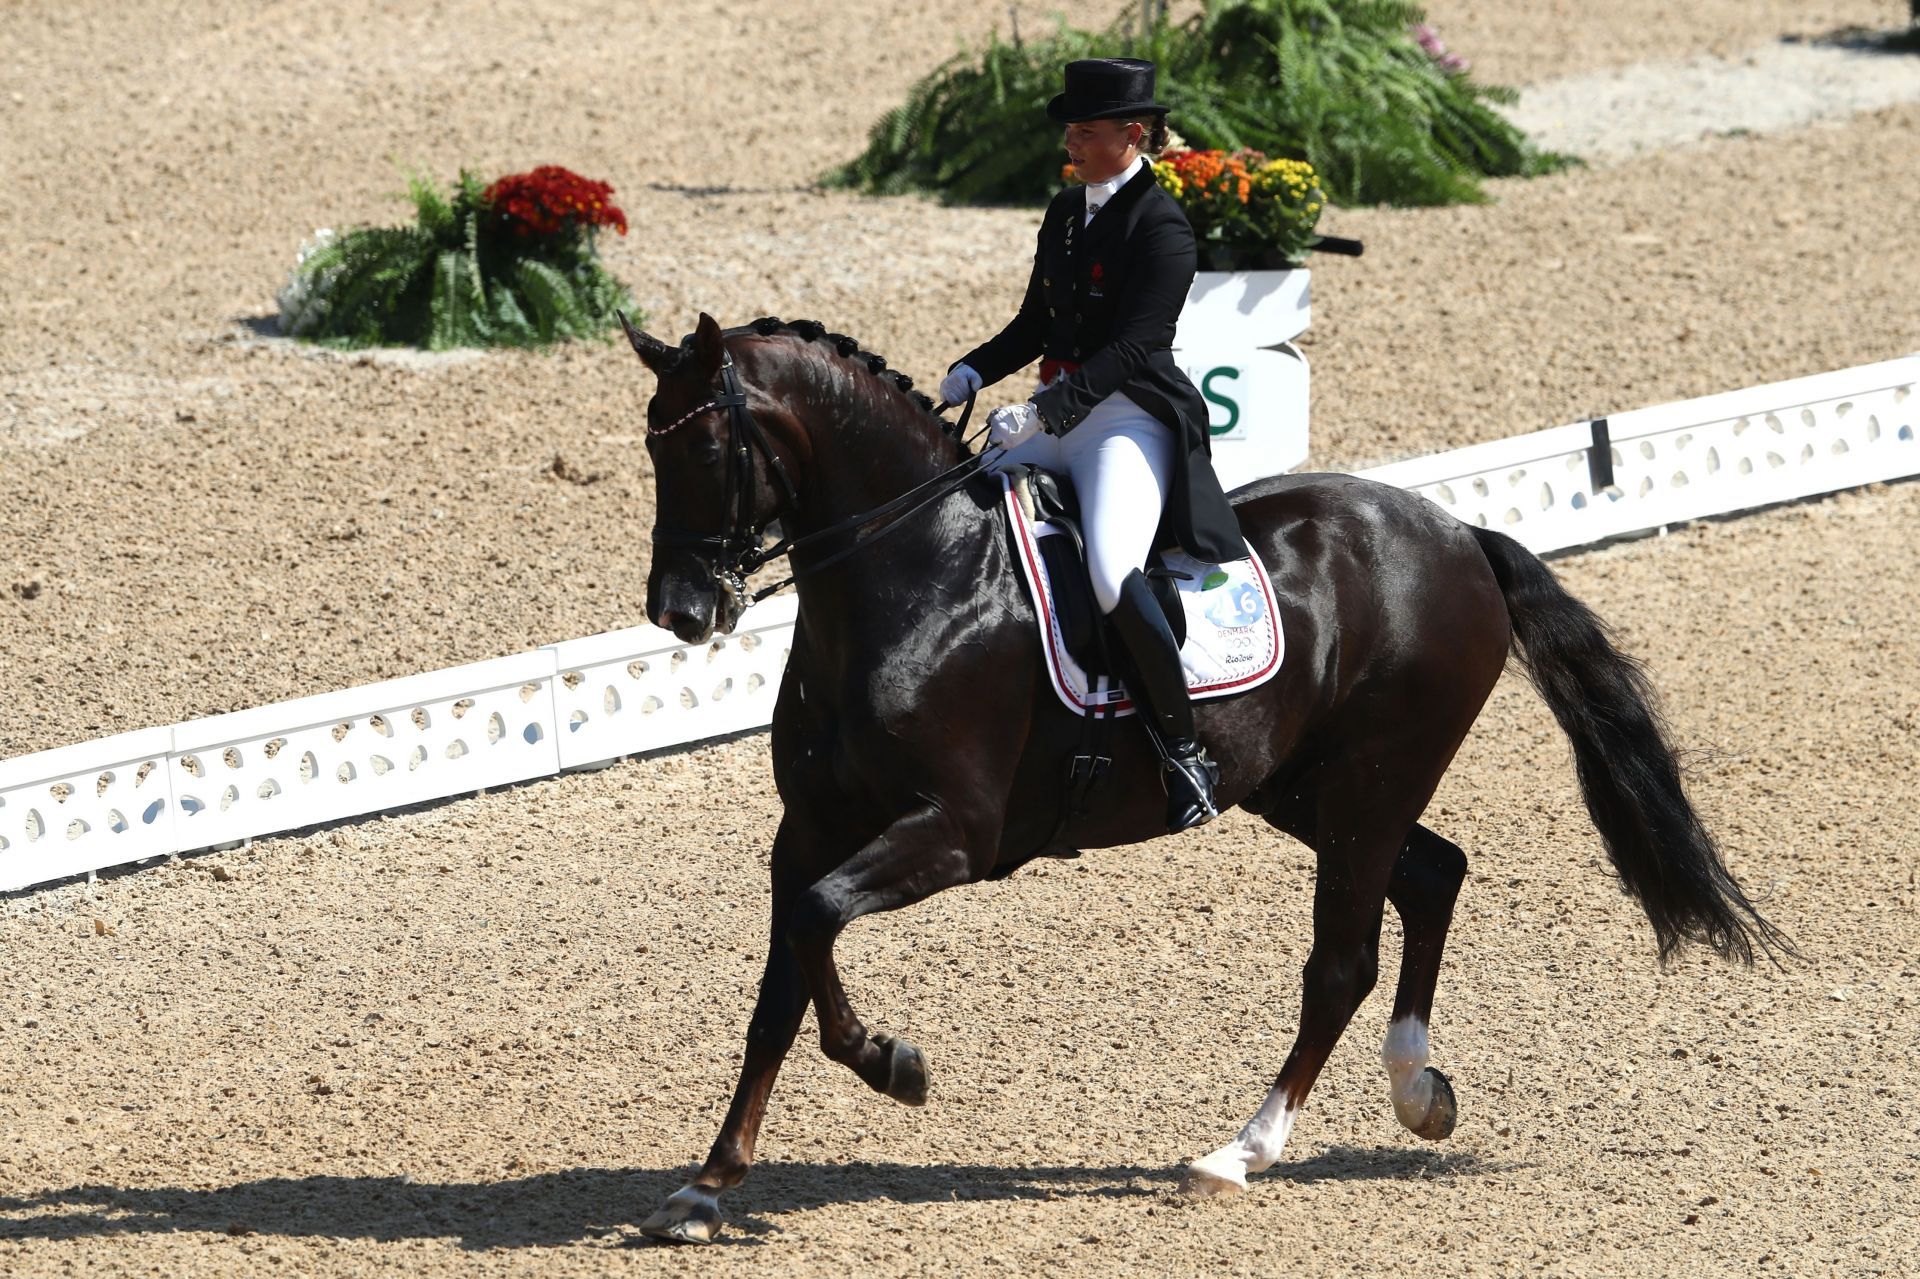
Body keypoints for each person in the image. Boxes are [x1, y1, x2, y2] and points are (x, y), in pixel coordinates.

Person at [941, 57, 1243, 834]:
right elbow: (1037, 323)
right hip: (1059, 412)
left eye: (1085, 130)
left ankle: (1183, 751)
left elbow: (1139, 345)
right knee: (957, 501)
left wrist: (1043, 412)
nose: (1070, 142)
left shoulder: (1163, 225)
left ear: (1131, 135)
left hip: (1126, 421)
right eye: (1071, 129)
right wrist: (979, 364)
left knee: (1112, 570)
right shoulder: (1064, 212)